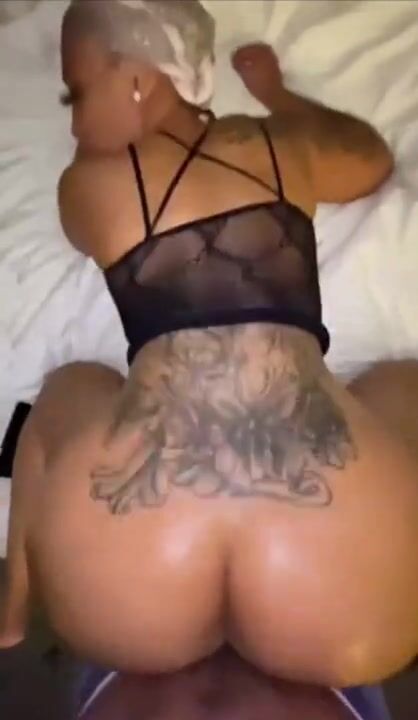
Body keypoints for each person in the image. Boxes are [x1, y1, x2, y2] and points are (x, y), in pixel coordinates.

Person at [1, 0, 417, 708]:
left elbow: (83, 227)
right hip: (338, 588)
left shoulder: (89, 184)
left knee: (72, 382)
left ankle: (11, 608)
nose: (72, 124)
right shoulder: (281, 148)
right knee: (405, 385)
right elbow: (369, 159)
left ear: (138, 83)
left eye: (77, 94)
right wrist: (276, 97)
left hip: (127, 577)